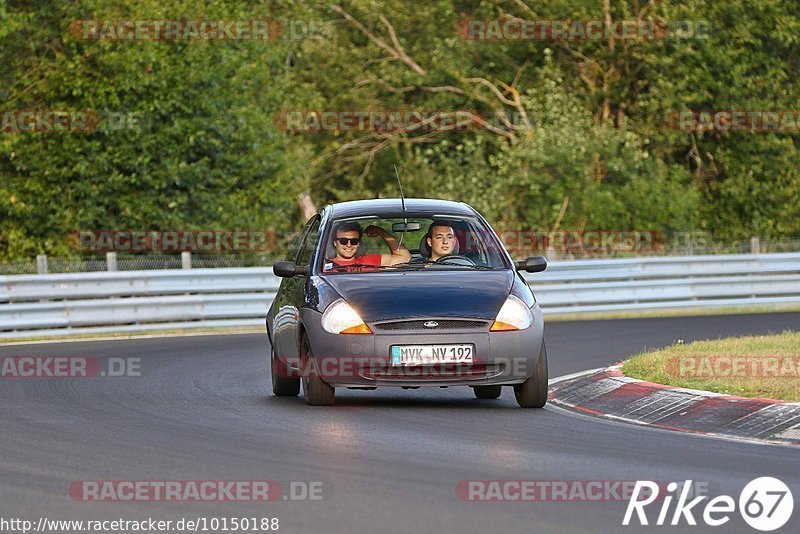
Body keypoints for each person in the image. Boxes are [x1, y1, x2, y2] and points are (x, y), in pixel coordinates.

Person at [323, 221, 411, 272]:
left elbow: (404, 257)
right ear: (335, 242)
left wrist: (381, 232)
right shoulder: (324, 267)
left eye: (354, 241)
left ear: (359, 243)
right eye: (343, 241)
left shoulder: (370, 261)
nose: (349, 245)